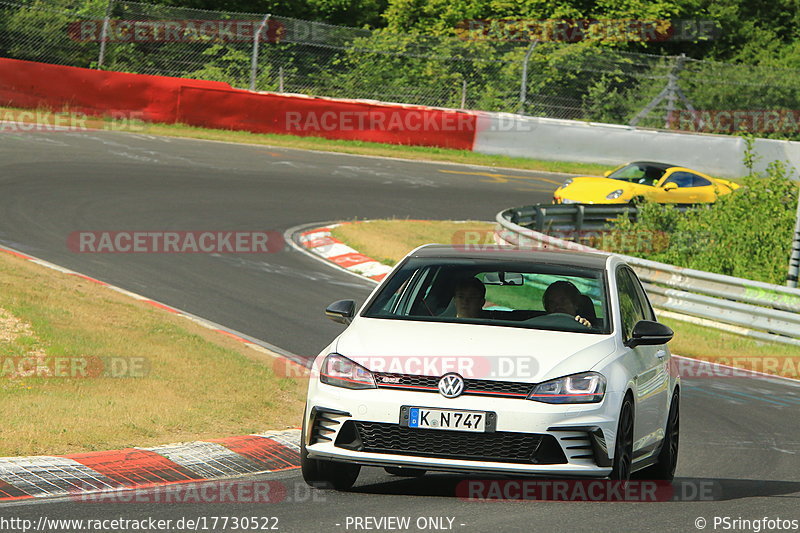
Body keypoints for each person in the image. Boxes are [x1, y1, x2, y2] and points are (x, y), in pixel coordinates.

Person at [527, 280, 592, 329]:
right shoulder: (537, 326)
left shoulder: (584, 325)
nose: (558, 306)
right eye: (552, 303)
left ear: (575, 304)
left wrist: (586, 328)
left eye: (563, 301)